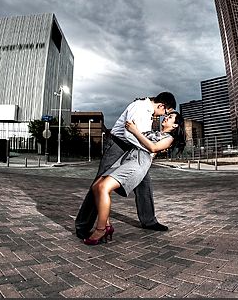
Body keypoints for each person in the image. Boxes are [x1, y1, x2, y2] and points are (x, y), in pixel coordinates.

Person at [75, 92, 177, 239]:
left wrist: (149, 148)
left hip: (133, 150)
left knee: (145, 183)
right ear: (161, 105)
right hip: (118, 146)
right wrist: (149, 149)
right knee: (100, 183)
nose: (163, 115)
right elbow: (129, 134)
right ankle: (83, 225)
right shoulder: (140, 107)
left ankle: (149, 221)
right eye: (165, 112)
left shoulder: (148, 113)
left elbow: (143, 135)